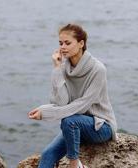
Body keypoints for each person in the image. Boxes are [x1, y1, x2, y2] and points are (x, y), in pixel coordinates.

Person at [28, 23, 117, 168]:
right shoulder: (63, 68)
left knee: (69, 121)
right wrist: (57, 69)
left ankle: (75, 164)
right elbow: (62, 103)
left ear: (81, 43)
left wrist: (47, 113)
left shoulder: (98, 69)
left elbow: (81, 106)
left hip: (101, 126)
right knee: (48, 154)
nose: (62, 47)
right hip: (76, 126)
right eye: (60, 43)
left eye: (67, 43)